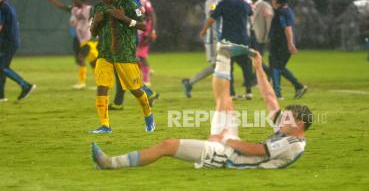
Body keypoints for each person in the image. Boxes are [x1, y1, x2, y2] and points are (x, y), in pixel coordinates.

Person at [91, 43, 313, 170]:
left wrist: (226, 140)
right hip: (231, 150)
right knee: (226, 103)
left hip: (229, 159)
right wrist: (259, 69)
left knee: (167, 145)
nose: (280, 119)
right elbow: (270, 97)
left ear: (299, 124)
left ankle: (111, 163)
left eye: (286, 118)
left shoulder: (293, 143)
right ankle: (224, 55)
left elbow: (258, 151)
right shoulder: (289, 131)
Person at [89, 0, 155, 134]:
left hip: (124, 54)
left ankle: (149, 117)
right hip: (105, 53)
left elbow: (143, 25)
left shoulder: (129, 5)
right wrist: (95, 23)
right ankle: (105, 125)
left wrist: (124, 18)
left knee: (136, 90)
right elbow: (93, 33)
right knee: (102, 88)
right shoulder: (99, 7)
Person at [108, 0, 158, 110]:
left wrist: (123, 18)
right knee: (120, 73)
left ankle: (150, 94)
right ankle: (118, 103)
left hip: (127, 41)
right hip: (120, 40)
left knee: (125, 73)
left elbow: (142, 24)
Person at [199, 0, 254, 100]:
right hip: (243, 38)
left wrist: (203, 31)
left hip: (228, 39)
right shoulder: (244, 4)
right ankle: (249, 91)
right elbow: (250, 13)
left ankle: (232, 93)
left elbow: (211, 19)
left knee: (229, 66)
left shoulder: (223, 4)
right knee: (246, 66)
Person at [37, 0, 98, 89]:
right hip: (81, 39)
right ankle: (99, 82)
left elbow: (99, 16)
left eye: (74, 1)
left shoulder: (89, 9)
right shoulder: (75, 10)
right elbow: (62, 7)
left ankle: (82, 83)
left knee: (81, 57)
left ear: (80, 0)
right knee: (92, 62)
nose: (73, 3)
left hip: (90, 39)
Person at [182, 0, 229, 98]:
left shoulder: (227, 0)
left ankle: (226, 90)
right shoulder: (211, 2)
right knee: (216, 65)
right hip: (213, 38)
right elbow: (213, 16)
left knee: (225, 64)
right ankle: (190, 82)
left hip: (224, 38)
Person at [269, 0, 308, 100]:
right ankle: (298, 86)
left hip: (280, 44)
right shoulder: (289, 10)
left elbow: (287, 28)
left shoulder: (281, 12)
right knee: (279, 67)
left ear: (277, 1)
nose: (272, 2)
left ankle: (278, 94)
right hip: (282, 43)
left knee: (276, 67)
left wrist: (290, 43)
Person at [250, 0, 273, 77]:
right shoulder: (252, 5)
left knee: (258, 57)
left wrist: (267, 36)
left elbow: (269, 22)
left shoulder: (265, 5)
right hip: (251, 34)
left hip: (260, 35)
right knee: (252, 57)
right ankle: (257, 75)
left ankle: (262, 75)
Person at [137, 0, 157, 86]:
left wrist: (151, 31)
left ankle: (146, 78)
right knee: (136, 55)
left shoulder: (143, 1)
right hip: (137, 31)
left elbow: (152, 16)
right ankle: (146, 71)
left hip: (145, 31)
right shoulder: (128, 0)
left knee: (141, 55)